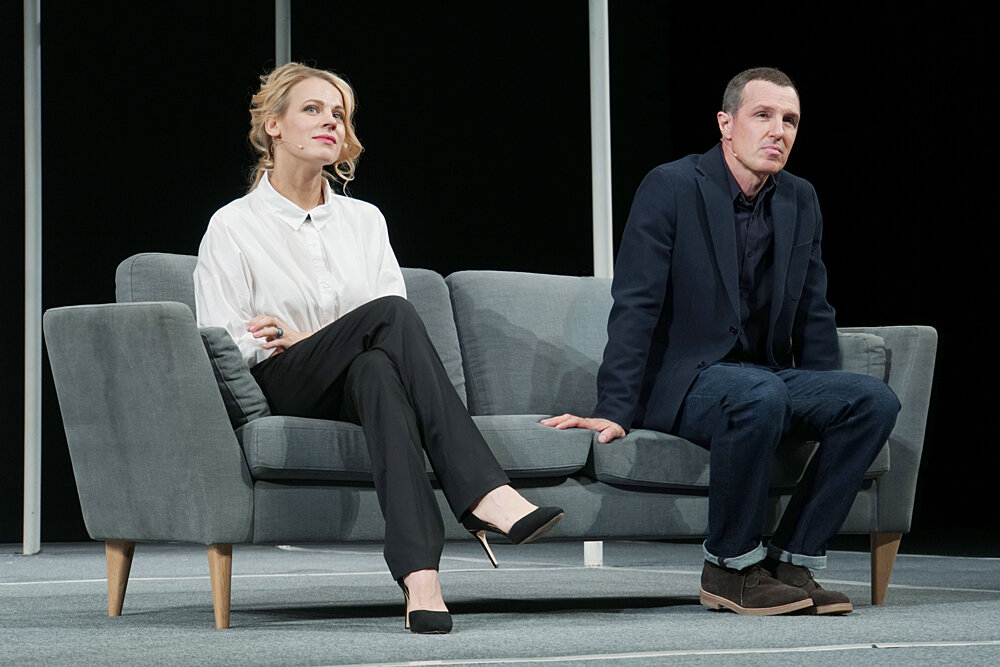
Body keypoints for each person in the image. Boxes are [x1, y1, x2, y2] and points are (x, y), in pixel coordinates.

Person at [194, 63, 563, 634]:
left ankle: (421, 578)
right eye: (313, 109)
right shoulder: (233, 225)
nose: (331, 122)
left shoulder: (365, 221)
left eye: (339, 114)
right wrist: (303, 343)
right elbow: (225, 338)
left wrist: (312, 335)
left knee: (377, 372)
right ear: (274, 125)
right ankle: (486, 495)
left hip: (354, 378)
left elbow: (387, 335)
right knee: (387, 318)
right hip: (285, 381)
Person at [543, 67, 899, 616]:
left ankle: (791, 560)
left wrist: (822, 399)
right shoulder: (672, 185)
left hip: (764, 378)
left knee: (873, 400)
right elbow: (636, 304)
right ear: (725, 124)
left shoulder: (800, 198)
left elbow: (814, 310)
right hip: (684, 382)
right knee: (758, 393)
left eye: (790, 120)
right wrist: (614, 407)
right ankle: (730, 568)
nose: (778, 130)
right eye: (763, 115)